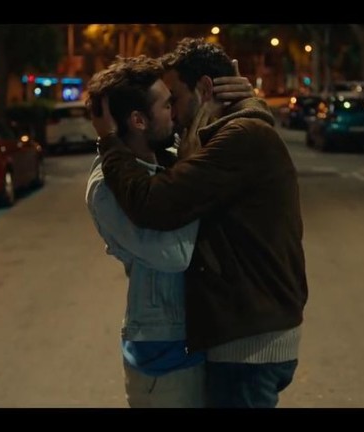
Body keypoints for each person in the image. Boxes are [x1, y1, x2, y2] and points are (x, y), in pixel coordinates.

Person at [93, 38, 308, 408]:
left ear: (205, 89)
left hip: (248, 346)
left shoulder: (238, 137)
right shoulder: (228, 133)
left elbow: (155, 202)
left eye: (174, 99)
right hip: (243, 339)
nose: (174, 113)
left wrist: (110, 142)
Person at [84, 54, 254, 408]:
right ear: (138, 120)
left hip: (198, 337)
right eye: (166, 105)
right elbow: (173, 255)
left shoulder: (168, 155)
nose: (175, 112)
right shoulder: (106, 188)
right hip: (162, 351)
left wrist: (240, 101)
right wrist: (190, 175)